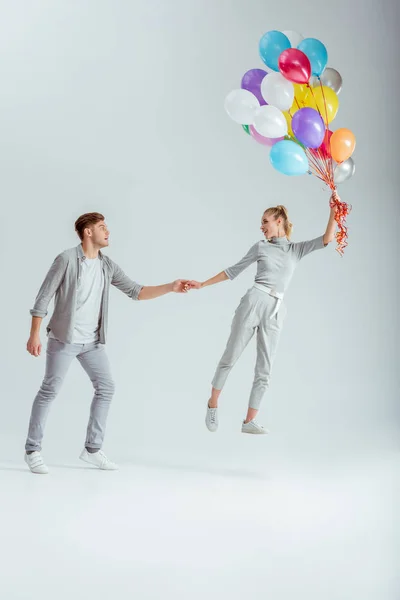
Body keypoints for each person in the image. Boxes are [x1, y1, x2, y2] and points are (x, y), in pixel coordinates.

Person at [25, 212, 190, 474]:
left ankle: (92, 449)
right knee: (50, 391)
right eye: (102, 227)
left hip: (92, 342)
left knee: (106, 387)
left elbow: (136, 291)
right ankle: (33, 450)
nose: (108, 231)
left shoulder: (106, 265)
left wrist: (171, 286)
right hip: (64, 339)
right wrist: (34, 334)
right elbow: (43, 298)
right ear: (88, 232)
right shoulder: (66, 259)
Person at [188, 195, 339, 434]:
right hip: (254, 301)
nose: (262, 226)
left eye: (265, 221)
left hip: (276, 310)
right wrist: (203, 284)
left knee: (264, 370)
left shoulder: (296, 250)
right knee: (230, 357)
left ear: (279, 221)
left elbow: (327, 239)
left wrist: (333, 211)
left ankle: (249, 421)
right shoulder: (260, 246)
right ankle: (212, 404)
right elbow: (233, 270)